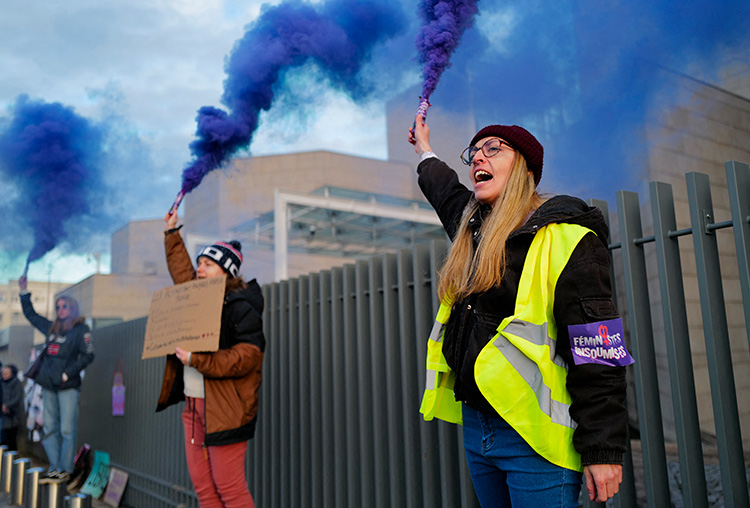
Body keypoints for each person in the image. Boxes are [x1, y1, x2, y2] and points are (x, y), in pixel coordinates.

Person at [408, 115, 632, 507]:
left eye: (493, 148)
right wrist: (424, 149)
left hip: (536, 437)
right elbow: (444, 190)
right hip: (478, 429)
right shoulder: (475, 231)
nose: (479, 156)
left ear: (525, 167)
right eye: (474, 152)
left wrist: (604, 452)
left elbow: (599, 353)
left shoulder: (568, 238)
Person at [157, 212, 265, 508]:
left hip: (224, 410)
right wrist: (171, 232)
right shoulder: (198, 297)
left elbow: (247, 358)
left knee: (230, 489)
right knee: (205, 490)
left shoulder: (241, 308)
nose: (199, 270)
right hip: (193, 408)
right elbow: (182, 273)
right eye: (199, 264)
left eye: (207, 265)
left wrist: (197, 360)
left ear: (226, 271)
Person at [18, 277, 95, 480]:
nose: (60, 309)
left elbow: (89, 355)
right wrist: (24, 291)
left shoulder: (81, 331)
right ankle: (55, 467)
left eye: (65, 306)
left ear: (73, 309)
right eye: (58, 306)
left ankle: (66, 470)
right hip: (49, 387)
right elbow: (31, 315)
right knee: (50, 428)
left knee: (67, 430)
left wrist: (68, 373)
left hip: (68, 387)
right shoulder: (52, 328)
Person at [1, 365, 24, 451]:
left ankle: (12, 459)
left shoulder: (16, 383)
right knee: (3, 439)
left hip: (13, 416)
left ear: (12, 374)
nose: (4, 374)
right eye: (3, 372)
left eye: (7, 373)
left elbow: (18, 397)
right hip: (2, 416)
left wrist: (7, 405)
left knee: (11, 439)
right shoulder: (1, 382)